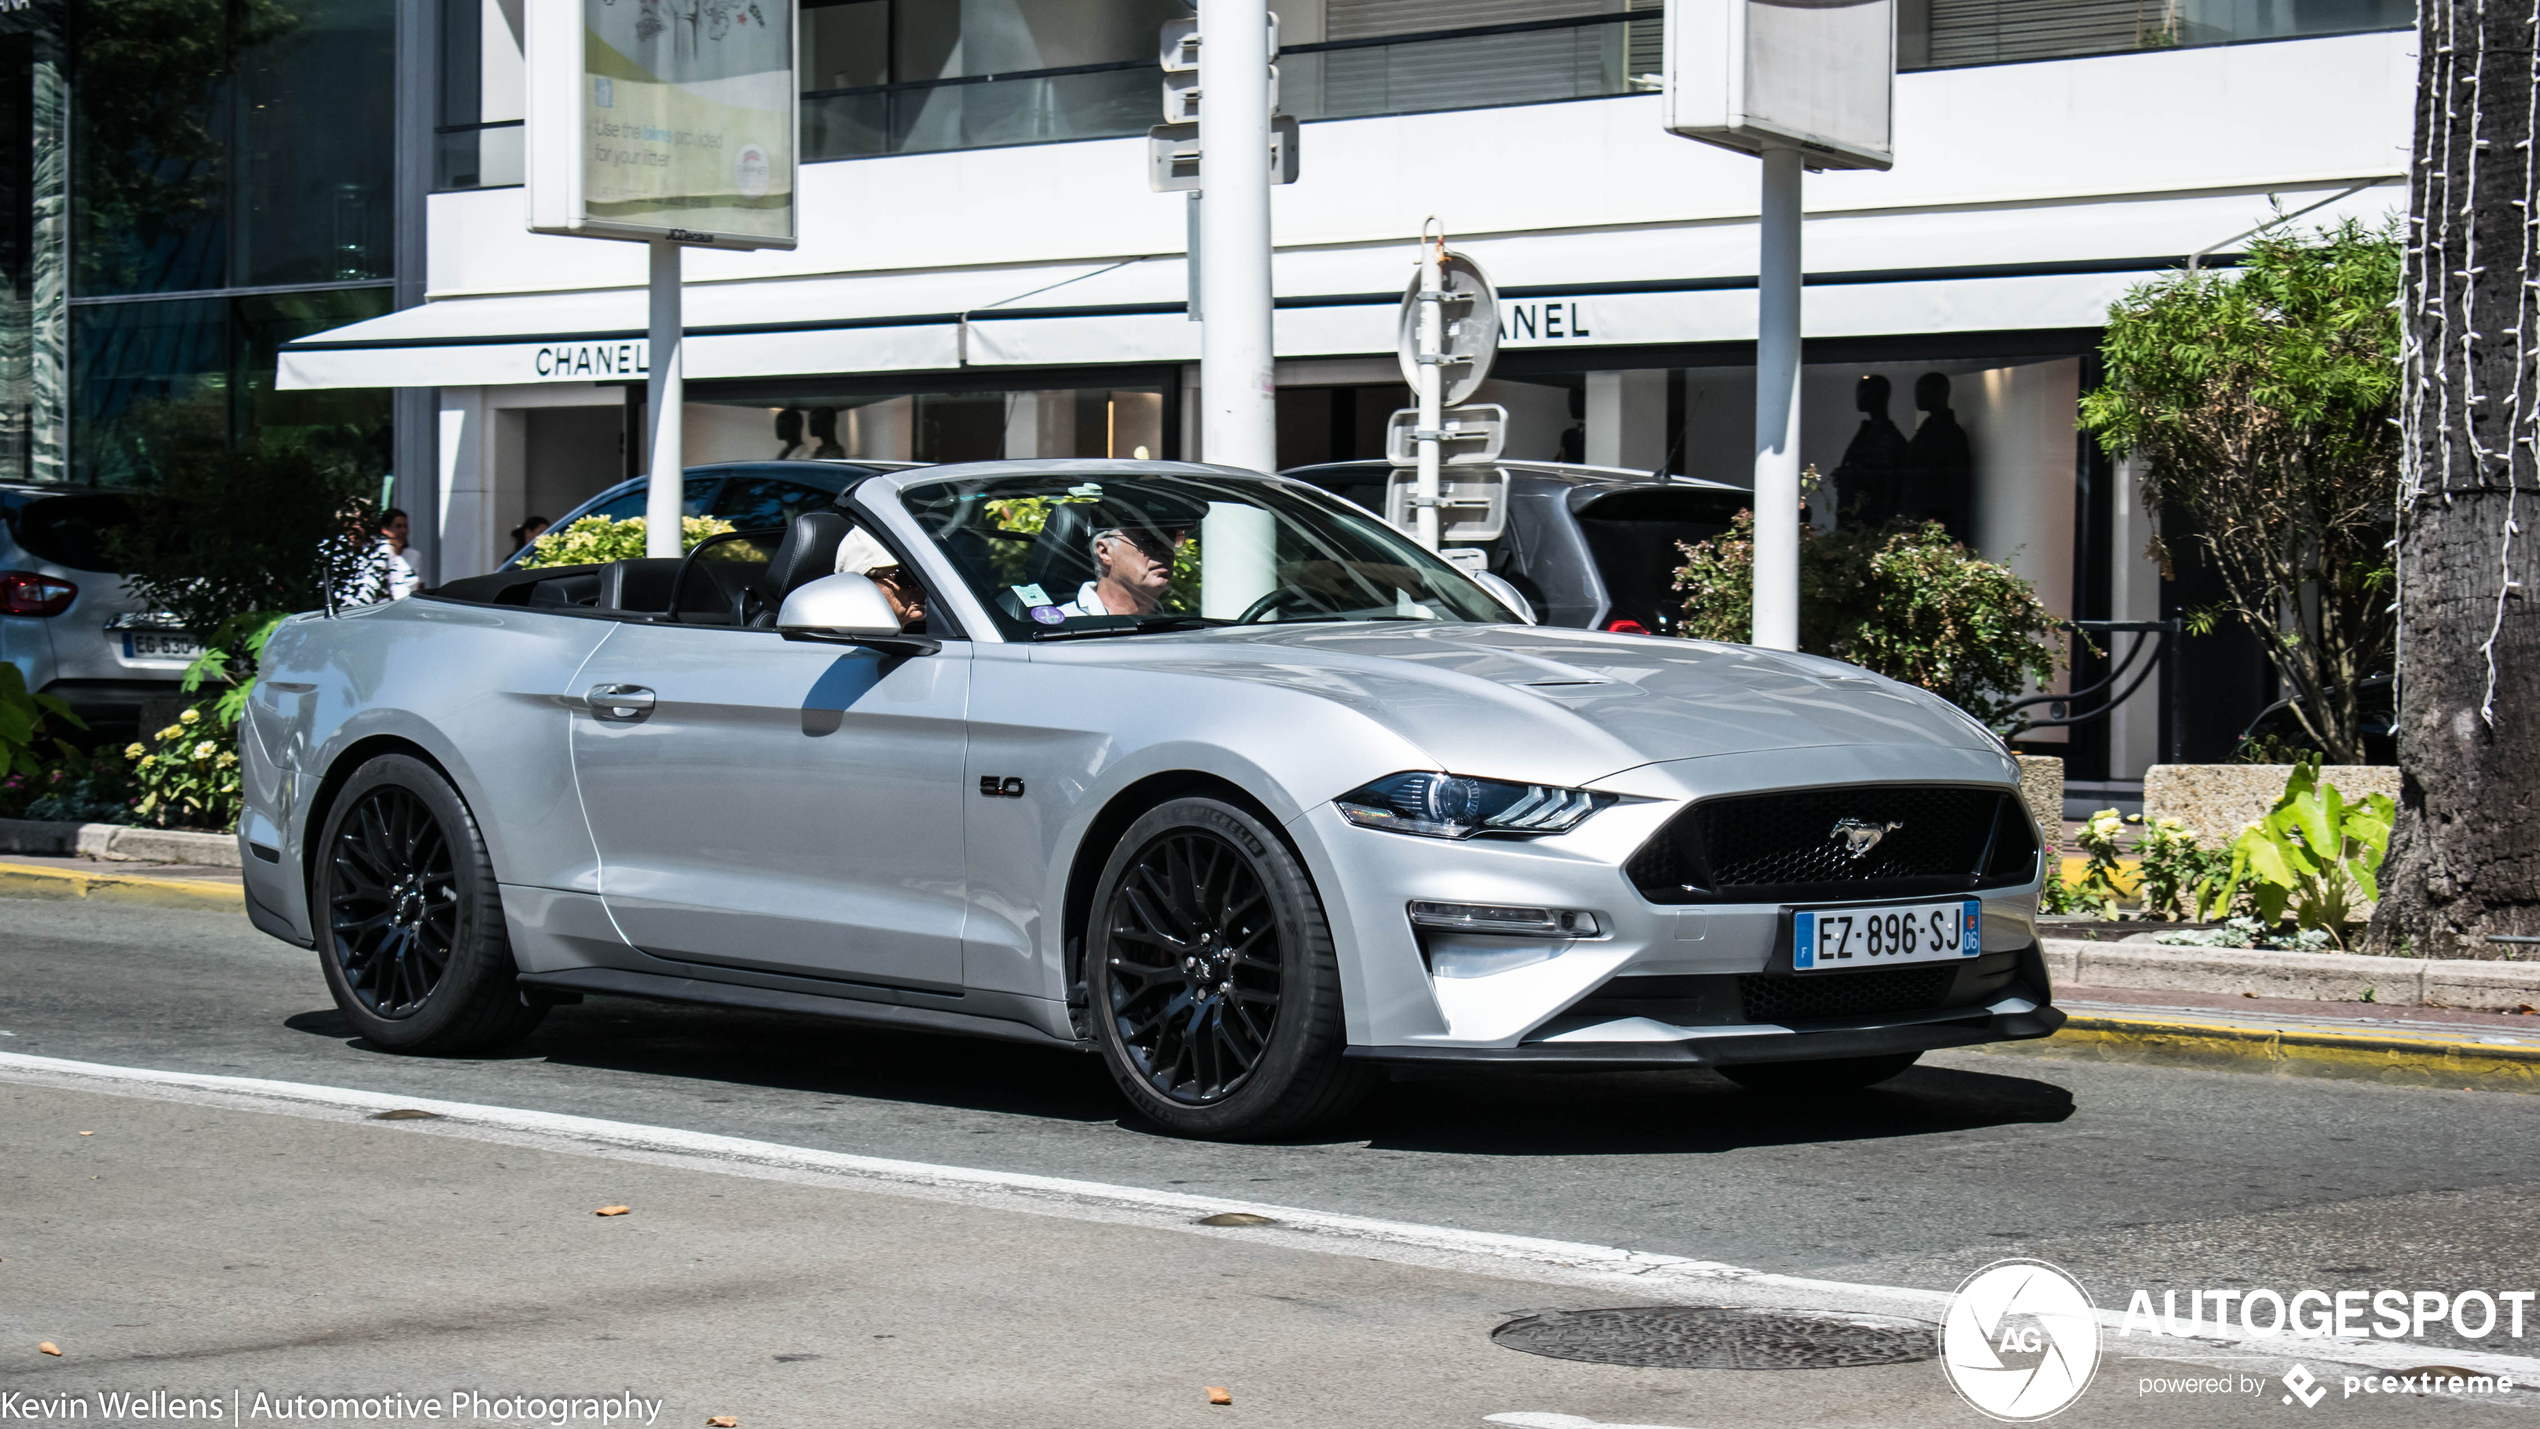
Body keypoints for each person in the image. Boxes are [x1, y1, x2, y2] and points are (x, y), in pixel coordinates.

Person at [1830, 374, 1908, 528]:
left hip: (1869, 520)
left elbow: (1886, 481)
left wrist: (1851, 475)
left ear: (1879, 396)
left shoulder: (1888, 436)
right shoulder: (1868, 430)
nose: (1859, 396)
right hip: (1855, 516)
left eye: (1865, 392)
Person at [1058, 522, 1183, 617]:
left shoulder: (1182, 630)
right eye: (1149, 539)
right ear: (1105, 552)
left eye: (1171, 540)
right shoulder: (1060, 630)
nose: (1167, 551)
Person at [375, 508, 419, 601]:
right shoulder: (378, 555)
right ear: (385, 530)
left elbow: (420, 587)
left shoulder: (414, 555)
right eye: (398, 526)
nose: (403, 531)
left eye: (405, 526)